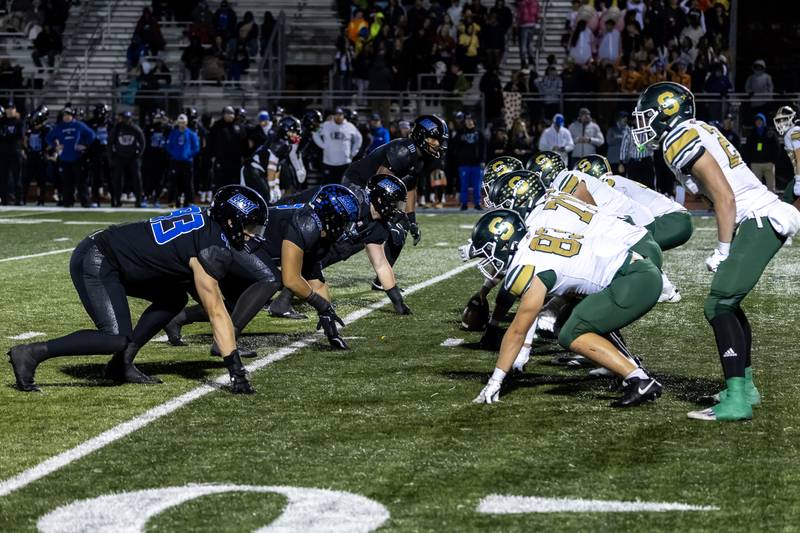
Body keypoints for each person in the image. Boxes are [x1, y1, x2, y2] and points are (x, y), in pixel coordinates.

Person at [633, 81, 800, 421]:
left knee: (718, 303)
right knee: (728, 301)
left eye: (648, 115)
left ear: (667, 112)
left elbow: (724, 196)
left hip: (759, 216)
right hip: (760, 214)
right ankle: (745, 387)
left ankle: (737, 399)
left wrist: (722, 248)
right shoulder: (696, 129)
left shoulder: (677, 138)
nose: (643, 124)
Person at [8, 185, 269, 394]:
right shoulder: (212, 248)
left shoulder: (206, 225)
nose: (252, 234)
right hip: (99, 259)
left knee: (172, 297)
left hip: (118, 260)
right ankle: (31, 353)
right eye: (250, 227)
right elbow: (216, 313)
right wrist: (236, 370)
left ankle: (121, 365)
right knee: (114, 338)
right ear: (233, 221)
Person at [471, 204, 664, 407]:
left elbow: (518, 331)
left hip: (634, 280)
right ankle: (629, 369)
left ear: (505, 245)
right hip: (635, 271)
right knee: (567, 319)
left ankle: (639, 379)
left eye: (488, 253)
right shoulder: (534, 236)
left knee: (571, 333)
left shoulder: (527, 266)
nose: (488, 260)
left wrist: (496, 380)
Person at [341, 115, 449, 288]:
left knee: (401, 229)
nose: (437, 143)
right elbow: (379, 180)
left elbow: (410, 188)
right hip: (358, 183)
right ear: (422, 135)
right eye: (434, 138)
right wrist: (389, 216)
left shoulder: (423, 157)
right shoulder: (404, 149)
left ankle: (381, 281)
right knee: (359, 231)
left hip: (377, 188)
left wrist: (411, 219)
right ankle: (314, 266)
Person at [240, 116, 301, 203]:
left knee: (267, 200)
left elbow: (277, 166)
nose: (296, 135)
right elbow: (271, 168)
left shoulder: (285, 144)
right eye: (293, 131)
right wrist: (272, 188)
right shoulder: (279, 143)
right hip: (252, 169)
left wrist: (276, 185)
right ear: (285, 130)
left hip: (259, 170)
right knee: (263, 199)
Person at [45, 106, 96, 207]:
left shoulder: (79, 125)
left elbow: (92, 135)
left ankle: (85, 202)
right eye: (64, 115)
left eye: (68, 115)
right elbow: (48, 137)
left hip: (77, 158)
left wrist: (84, 145)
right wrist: (56, 146)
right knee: (67, 182)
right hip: (64, 158)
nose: (66, 117)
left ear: (72, 116)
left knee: (81, 181)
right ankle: (68, 201)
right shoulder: (59, 127)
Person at [312, 107, 362, 184]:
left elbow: (359, 139)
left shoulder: (350, 126)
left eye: (340, 114)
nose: (338, 117)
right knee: (329, 185)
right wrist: (323, 145)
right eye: (336, 114)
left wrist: (353, 153)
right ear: (333, 115)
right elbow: (315, 133)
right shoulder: (326, 125)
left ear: (343, 116)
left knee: (344, 185)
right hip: (329, 162)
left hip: (345, 162)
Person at [109, 111, 146, 207]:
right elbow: (110, 143)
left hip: (133, 157)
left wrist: (138, 154)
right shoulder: (117, 128)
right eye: (125, 118)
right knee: (117, 179)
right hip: (119, 157)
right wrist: (112, 156)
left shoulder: (135, 128)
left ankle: (139, 200)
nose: (126, 120)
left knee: (137, 178)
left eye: (128, 118)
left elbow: (142, 142)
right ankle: (117, 200)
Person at [165, 114, 201, 207]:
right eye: (180, 122)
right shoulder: (173, 133)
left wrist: (188, 155)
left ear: (186, 122)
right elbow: (168, 145)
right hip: (175, 161)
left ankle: (190, 202)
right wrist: (174, 154)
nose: (182, 124)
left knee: (188, 182)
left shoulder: (191, 134)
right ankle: (172, 202)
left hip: (187, 162)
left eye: (183, 122)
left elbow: (196, 147)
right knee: (174, 182)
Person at [451, 113, 485, 210]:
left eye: (470, 120)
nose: (469, 122)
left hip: (477, 164)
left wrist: (482, 160)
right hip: (464, 164)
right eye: (467, 120)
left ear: (474, 121)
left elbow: (483, 148)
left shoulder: (479, 133)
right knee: (464, 185)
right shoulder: (460, 133)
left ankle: (477, 203)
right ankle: (464, 204)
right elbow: (454, 146)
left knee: (477, 185)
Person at [208, 106, 247, 189]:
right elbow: (211, 142)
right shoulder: (217, 126)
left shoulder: (239, 126)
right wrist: (212, 155)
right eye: (227, 114)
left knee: (235, 182)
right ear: (223, 115)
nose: (230, 116)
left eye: (231, 114)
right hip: (221, 160)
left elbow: (244, 142)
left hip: (236, 160)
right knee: (220, 182)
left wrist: (244, 155)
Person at [743, 113, 779, 192]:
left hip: (768, 164)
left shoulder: (771, 133)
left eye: (760, 120)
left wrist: (773, 161)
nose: (758, 122)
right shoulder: (752, 134)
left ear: (764, 121)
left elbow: (776, 148)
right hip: (756, 164)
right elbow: (747, 148)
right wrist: (750, 161)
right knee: (756, 187)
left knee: (771, 187)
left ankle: (772, 204)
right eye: (757, 120)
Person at [24, 107, 54, 206]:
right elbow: (25, 142)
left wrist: (46, 151)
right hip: (32, 156)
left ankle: (41, 200)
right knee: (27, 178)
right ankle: (23, 199)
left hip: (41, 156)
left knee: (41, 179)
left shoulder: (47, 129)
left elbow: (52, 143)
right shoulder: (30, 131)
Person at [143, 109, 170, 206]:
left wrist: (167, 122)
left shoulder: (167, 128)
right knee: (149, 178)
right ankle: (146, 196)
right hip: (150, 157)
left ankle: (157, 197)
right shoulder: (149, 128)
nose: (158, 120)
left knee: (160, 179)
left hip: (162, 157)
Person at [86, 104, 112, 207]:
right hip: (95, 153)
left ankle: (114, 199)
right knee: (95, 178)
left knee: (110, 176)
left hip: (107, 153)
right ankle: (95, 199)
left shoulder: (110, 124)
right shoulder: (90, 124)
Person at [774, 106, 800, 204]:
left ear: (792, 118)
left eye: (784, 119)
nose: (781, 123)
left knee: (787, 203)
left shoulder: (794, 131)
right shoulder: (792, 132)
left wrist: (798, 180)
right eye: (779, 120)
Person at [0, 102, 24, 205]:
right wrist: (8, 136)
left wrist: (5, 136)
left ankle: (18, 200)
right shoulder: (1, 122)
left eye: (12, 108)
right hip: (3, 154)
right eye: (8, 108)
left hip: (15, 153)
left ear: (15, 110)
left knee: (16, 177)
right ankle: (4, 200)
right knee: (3, 177)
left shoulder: (19, 122)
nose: (10, 110)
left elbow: (19, 135)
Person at [516, 0, 539, 66]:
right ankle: (531, 58)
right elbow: (537, 13)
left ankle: (523, 60)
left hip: (523, 24)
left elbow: (519, 15)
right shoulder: (535, 2)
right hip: (532, 23)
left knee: (523, 43)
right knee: (530, 42)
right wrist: (535, 20)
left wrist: (517, 23)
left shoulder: (522, 3)